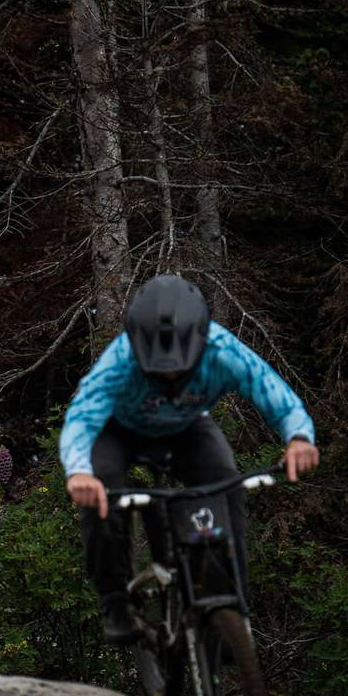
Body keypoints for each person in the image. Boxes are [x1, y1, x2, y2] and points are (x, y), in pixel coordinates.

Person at [59, 273, 319, 643]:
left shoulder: (221, 349)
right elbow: (82, 418)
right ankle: (116, 603)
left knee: (225, 484)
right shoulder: (119, 359)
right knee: (101, 496)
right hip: (118, 432)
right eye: (159, 372)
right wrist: (80, 473)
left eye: (181, 372)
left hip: (186, 429)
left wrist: (298, 438)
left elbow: (269, 388)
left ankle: (230, 610)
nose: (170, 378)